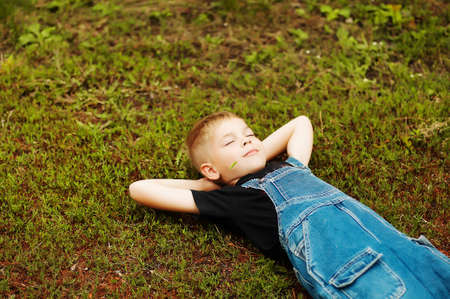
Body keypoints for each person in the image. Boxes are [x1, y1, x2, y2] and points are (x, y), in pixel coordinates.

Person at [129, 111, 449, 298]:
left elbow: (301, 122)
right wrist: (208, 183)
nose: (246, 140)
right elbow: (141, 189)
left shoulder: (294, 167)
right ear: (211, 170)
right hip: (353, 269)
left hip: (400, 248)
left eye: (249, 134)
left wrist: (252, 154)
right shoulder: (233, 200)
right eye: (230, 142)